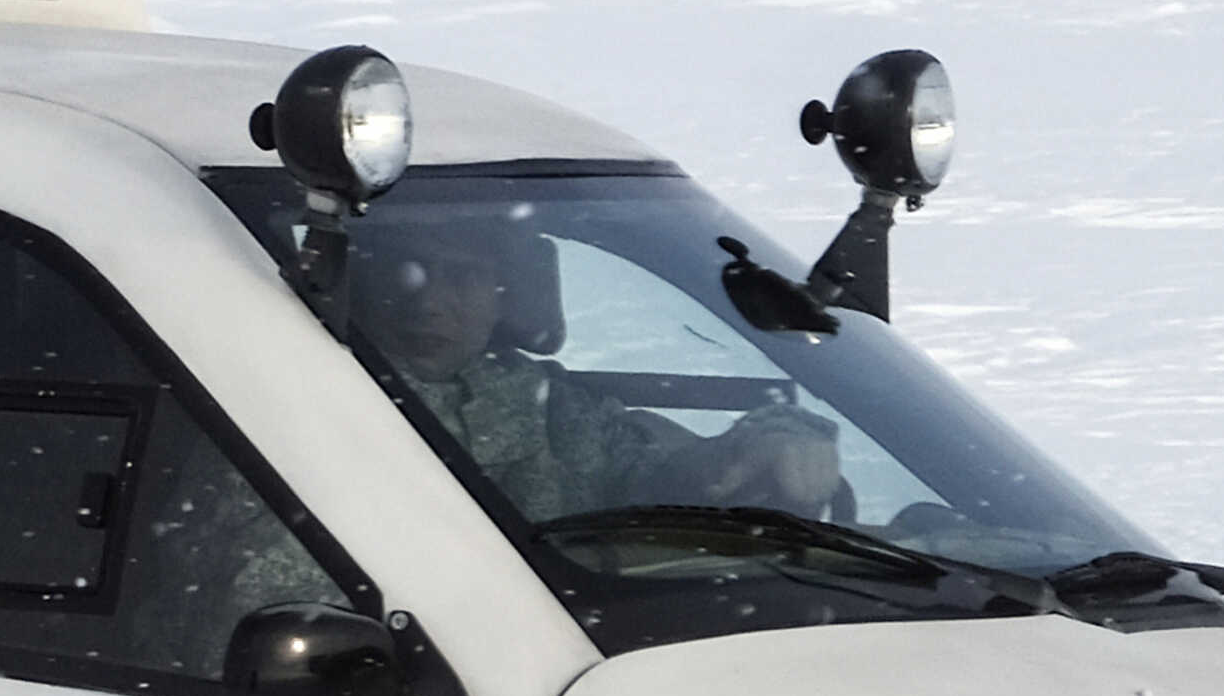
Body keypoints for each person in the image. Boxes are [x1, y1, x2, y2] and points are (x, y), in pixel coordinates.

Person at [346, 217, 848, 523]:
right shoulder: (307, 383)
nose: (430, 302)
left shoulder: (541, 403)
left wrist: (767, 443)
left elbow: (667, 477)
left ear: (506, 298)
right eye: (404, 269)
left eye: (462, 276)